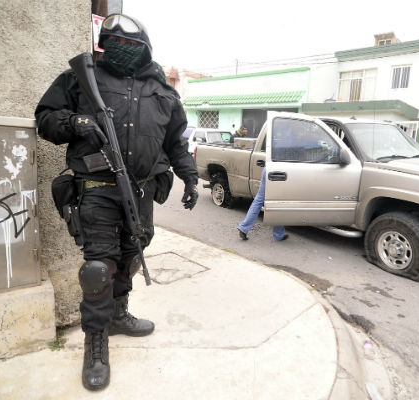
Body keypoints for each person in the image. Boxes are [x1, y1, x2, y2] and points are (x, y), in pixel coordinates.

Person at [35, 13, 198, 391]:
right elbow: (45, 118)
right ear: (103, 44)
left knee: (130, 255)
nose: (122, 50)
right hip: (95, 190)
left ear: (145, 48)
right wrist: (75, 123)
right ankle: (95, 344)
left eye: (131, 44)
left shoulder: (164, 91)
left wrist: (190, 177)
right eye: (114, 43)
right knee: (97, 269)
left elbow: (175, 142)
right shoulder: (81, 78)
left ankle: (119, 315)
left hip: (141, 191)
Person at [237, 168, 288, 242]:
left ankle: (244, 228)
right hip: (282, 172)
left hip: (268, 169)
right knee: (278, 202)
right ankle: (278, 235)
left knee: (258, 200)